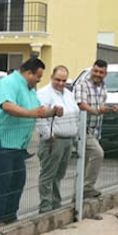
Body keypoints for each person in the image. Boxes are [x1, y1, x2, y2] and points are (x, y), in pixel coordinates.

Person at [0, 58, 53, 225]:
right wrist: (31, 113)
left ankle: (9, 217)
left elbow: (37, 110)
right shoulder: (9, 83)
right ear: (29, 73)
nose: (38, 80)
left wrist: (52, 112)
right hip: (1, 142)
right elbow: (7, 106)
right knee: (2, 183)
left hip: (18, 145)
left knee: (17, 181)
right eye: (38, 76)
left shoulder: (30, 89)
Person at [36, 65, 81, 211]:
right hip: (53, 140)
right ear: (51, 78)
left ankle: (56, 203)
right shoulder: (44, 94)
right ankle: (46, 206)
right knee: (48, 174)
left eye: (63, 80)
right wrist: (48, 135)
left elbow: (75, 114)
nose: (61, 83)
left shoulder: (68, 94)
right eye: (57, 80)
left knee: (59, 174)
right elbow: (40, 116)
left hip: (68, 139)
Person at [74, 59, 118, 200]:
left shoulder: (103, 88)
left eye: (101, 72)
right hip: (82, 128)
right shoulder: (82, 85)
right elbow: (81, 105)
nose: (97, 74)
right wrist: (97, 110)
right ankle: (87, 188)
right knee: (98, 153)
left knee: (84, 163)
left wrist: (111, 109)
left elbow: (101, 105)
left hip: (95, 130)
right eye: (95, 71)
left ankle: (77, 197)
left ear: (105, 74)